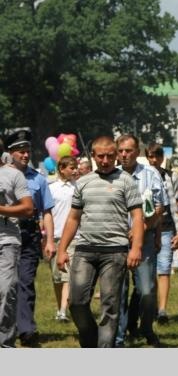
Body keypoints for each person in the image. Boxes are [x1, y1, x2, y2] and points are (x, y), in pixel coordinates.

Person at [56, 136, 144, 348]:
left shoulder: (126, 181)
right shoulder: (84, 182)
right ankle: (91, 341)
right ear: (93, 156)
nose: (105, 161)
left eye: (110, 156)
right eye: (101, 156)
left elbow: (137, 217)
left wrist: (136, 248)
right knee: (76, 303)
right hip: (85, 250)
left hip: (115, 252)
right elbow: (73, 218)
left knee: (109, 306)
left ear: (116, 156)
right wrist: (62, 249)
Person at [114, 134, 167, 348]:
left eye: (128, 151)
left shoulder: (150, 174)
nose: (124, 155)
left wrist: (141, 229)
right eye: (121, 151)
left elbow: (159, 207)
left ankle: (146, 327)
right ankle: (118, 337)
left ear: (137, 152)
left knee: (146, 290)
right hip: (116, 241)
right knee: (118, 291)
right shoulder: (111, 175)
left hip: (144, 239)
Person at [6, 129, 55, 347]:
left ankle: (26, 330)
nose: (25, 155)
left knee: (25, 282)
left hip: (29, 235)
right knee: (8, 283)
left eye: (27, 151)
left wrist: (50, 240)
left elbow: (47, 212)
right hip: (6, 233)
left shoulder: (39, 179)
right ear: (11, 153)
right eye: (20, 152)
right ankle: (8, 326)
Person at [145, 142, 178, 325]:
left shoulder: (171, 177)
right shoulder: (143, 175)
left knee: (164, 268)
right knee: (149, 271)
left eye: (157, 156)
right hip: (148, 229)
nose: (154, 160)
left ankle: (162, 310)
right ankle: (150, 307)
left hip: (167, 228)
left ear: (162, 158)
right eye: (150, 156)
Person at [0, 138, 33, 348]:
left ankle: (5, 345)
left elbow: (28, 208)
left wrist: (1, 209)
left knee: (6, 292)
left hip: (7, 241)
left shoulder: (13, 175)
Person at [47, 156, 79, 322]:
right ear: (61, 169)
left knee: (68, 275)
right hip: (55, 236)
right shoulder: (51, 188)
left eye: (76, 167)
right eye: (71, 167)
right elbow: (46, 213)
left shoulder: (78, 187)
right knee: (57, 277)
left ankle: (63, 311)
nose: (75, 170)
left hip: (74, 237)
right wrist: (47, 238)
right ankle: (60, 307)